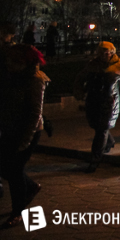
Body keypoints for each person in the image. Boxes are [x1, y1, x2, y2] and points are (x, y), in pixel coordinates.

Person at [0, 28, 48, 227]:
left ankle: (17, 212)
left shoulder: (36, 81)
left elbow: (35, 113)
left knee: (15, 170)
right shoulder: (11, 78)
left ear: (25, 62)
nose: (8, 64)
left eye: (13, 61)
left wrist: (25, 140)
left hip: (27, 131)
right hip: (10, 128)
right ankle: (31, 186)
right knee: (6, 168)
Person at [73, 42, 120, 173]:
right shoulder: (93, 64)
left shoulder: (118, 66)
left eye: (108, 52)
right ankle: (109, 142)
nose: (105, 55)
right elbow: (80, 78)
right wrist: (79, 92)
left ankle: (95, 159)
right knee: (97, 126)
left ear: (112, 52)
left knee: (102, 128)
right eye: (103, 52)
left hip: (109, 102)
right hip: (93, 100)